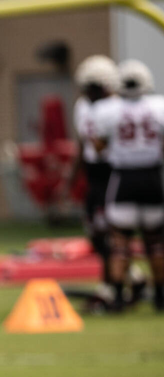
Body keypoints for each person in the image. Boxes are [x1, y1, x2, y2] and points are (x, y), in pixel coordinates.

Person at [92, 59, 164, 312]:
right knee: (155, 242)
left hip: (124, 179)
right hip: (153, 178)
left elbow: (98, 148)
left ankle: (118, 298)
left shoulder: (107, 109)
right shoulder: (159, 106)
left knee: (120, 244)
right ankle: (160, 296)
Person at [72, 55, 120, 303]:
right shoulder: (82, 105)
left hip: (115, 170)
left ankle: (112, 284)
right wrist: (73, 174)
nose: (89, 91)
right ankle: (126, 276)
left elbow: (104, 145)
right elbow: (82, 143)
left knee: (114, 231)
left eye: (94, 86)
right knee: (95, 229)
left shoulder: (117, 106)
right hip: (94, 173)